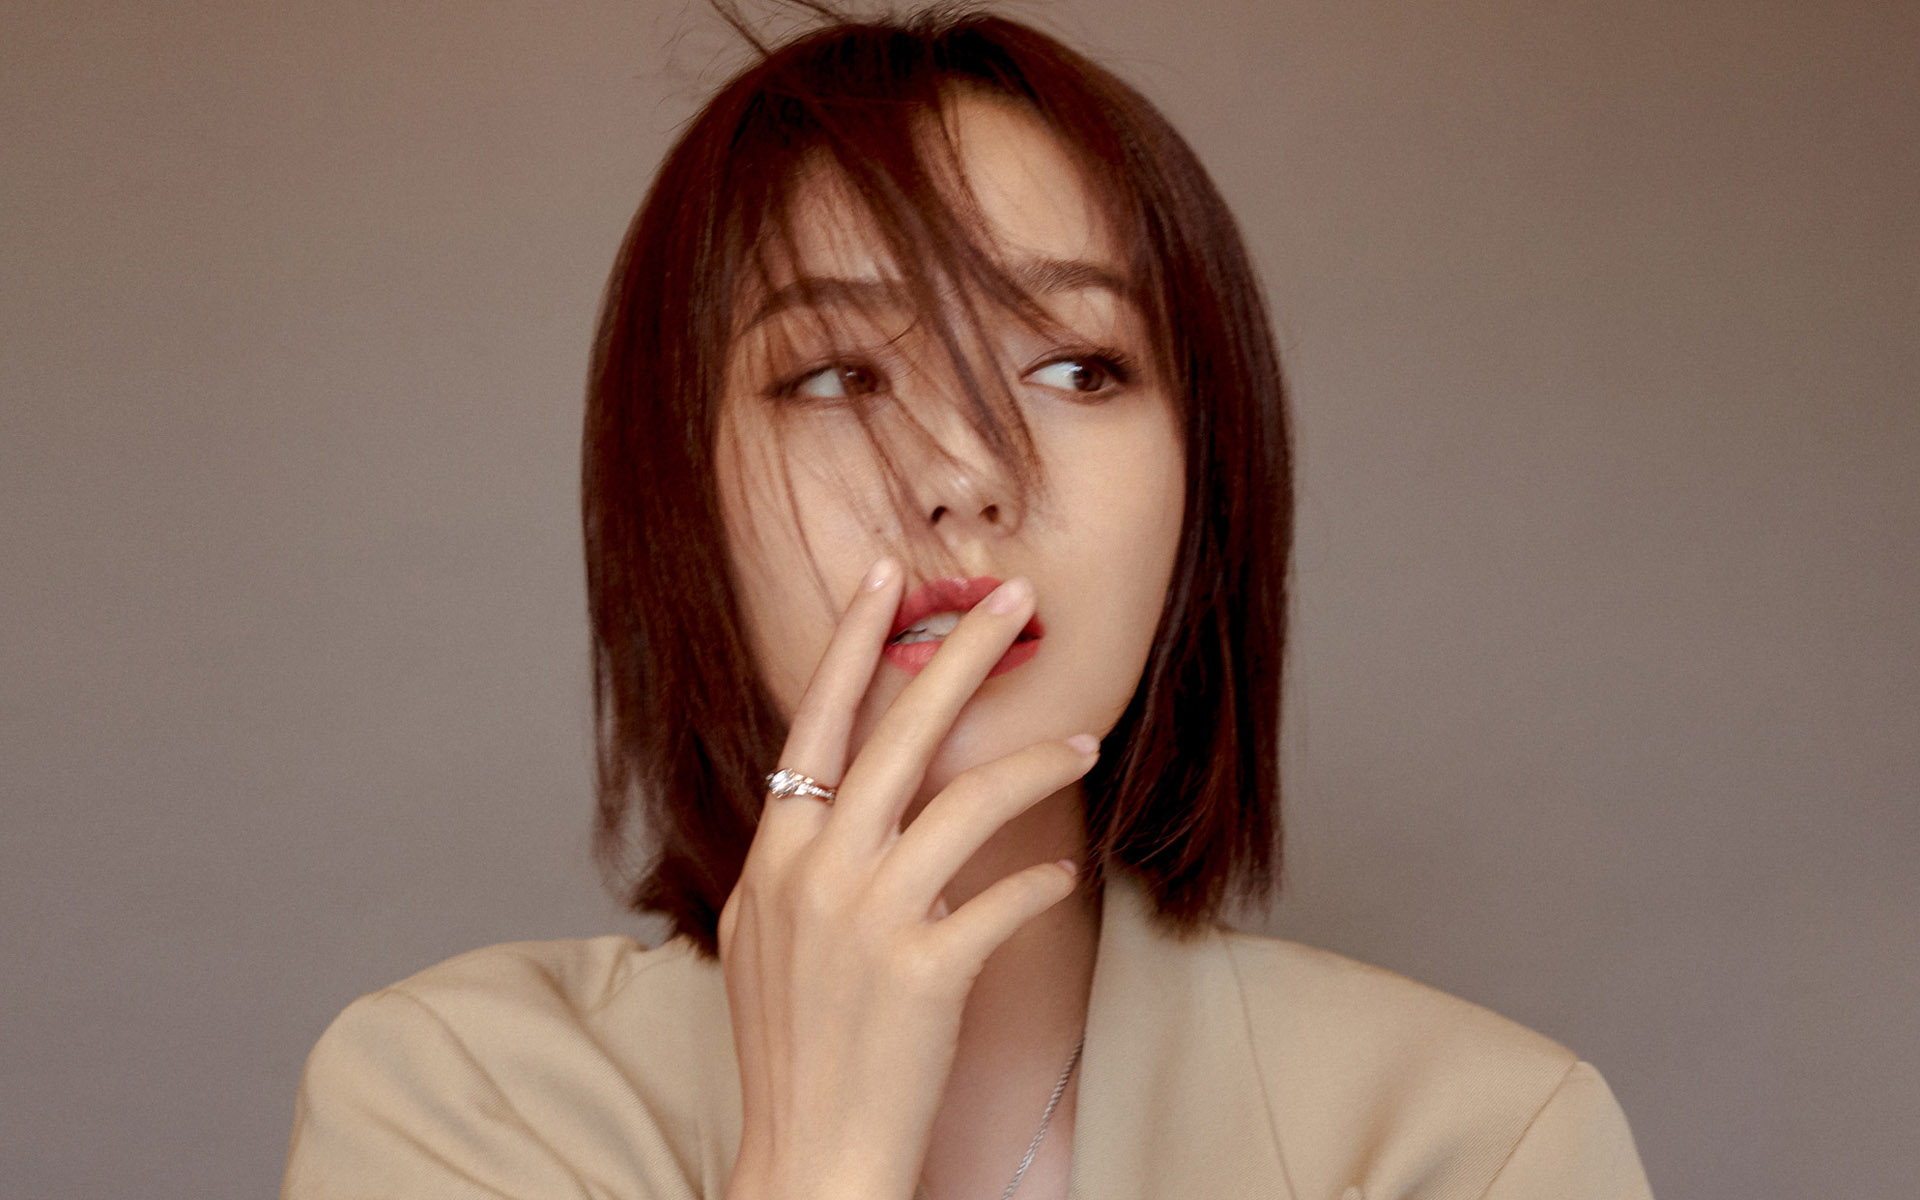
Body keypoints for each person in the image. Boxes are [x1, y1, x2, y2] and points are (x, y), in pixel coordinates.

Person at [281, 7, 1655, 1199]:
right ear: (679, 492)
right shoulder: (457, 1103)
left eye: (1075, 369)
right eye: (836, 377)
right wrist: (818, 1159)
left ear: (1208, 485)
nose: (963, 478)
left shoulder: (1478, 1140)